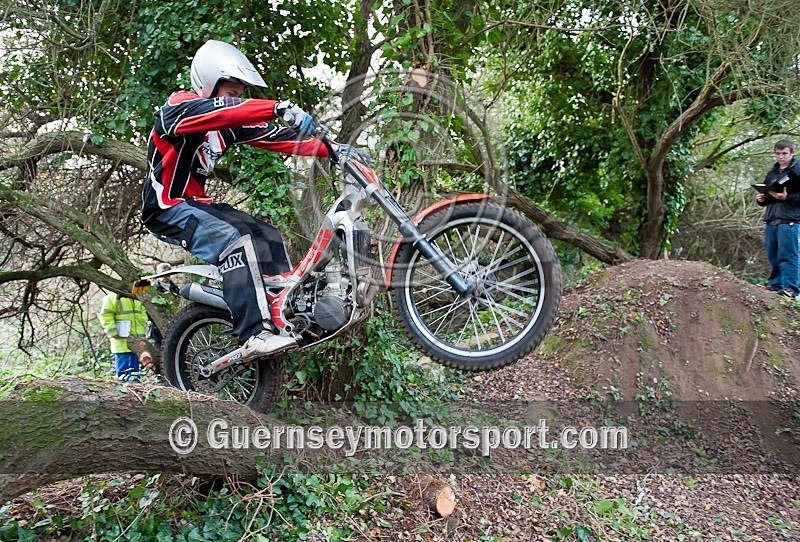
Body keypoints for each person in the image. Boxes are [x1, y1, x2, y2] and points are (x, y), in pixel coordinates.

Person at [141, 39, 367, 361]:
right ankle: (254, 333)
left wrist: (332, 148)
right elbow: (224, 112)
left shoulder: (226, 128)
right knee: (235, 239)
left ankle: (282, 313)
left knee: (266, 235)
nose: (238, 99)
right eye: (232, 92)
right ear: (208, 83)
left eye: (239, 94)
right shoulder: (177, 110)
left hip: (195, 204)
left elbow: (277, 137)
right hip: (166, 206)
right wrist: (277, 107)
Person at [756, 139, 800, 299]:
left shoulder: (797, 170)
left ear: (792, 153)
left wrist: (788, 197)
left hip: (790, 219)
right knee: (772, 254)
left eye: (784, 153)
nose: (780, 157)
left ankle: (791, 289)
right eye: (778, 153)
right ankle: (775, 286)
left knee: (788, 255)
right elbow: (768, 195)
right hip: (771, 218)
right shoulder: (772, 173)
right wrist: (761, 199)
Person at [98, 291, 152, 382]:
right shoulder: (113, 296)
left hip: (136, 342)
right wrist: (113, 331)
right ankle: (126, 391)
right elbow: (105, 316)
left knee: (135, 372)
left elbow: (143, 315)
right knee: (123, 373)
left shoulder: (137, 296)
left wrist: (142, 330)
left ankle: (135, 389)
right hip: (121, 343)